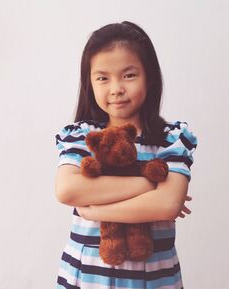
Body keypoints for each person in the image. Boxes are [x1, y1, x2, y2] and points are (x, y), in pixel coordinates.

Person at [54, 21, 198, 289]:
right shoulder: (83, 136)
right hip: (87, 278)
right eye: (102, 78)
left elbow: (166, 204)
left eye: (129, 75)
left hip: (153, 279)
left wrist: (94, 208)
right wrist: (148, 184)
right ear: (90, 82)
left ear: (150, 77)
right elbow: (68, 189)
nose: (116, 88)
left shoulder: (171, 139)